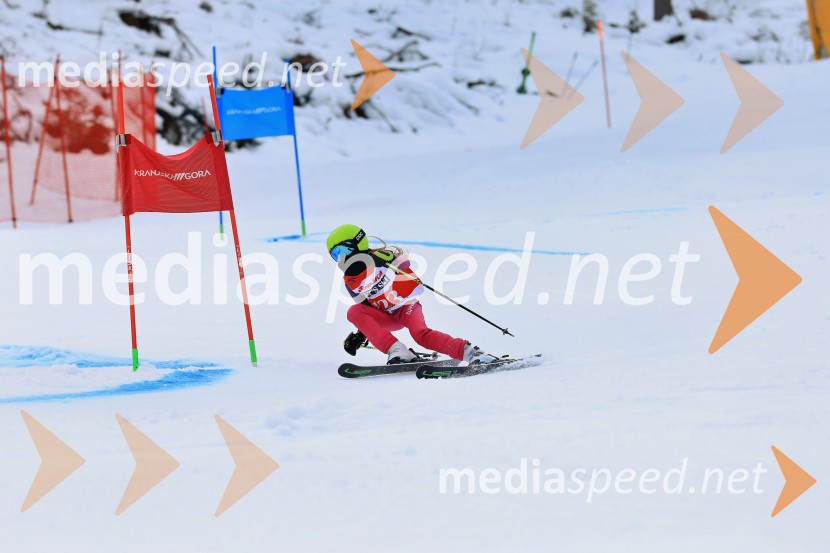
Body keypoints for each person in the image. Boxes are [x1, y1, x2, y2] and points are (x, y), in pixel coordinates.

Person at [327, 224, 499, 365]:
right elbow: (366, 310)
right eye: (335, 255)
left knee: (420, 335)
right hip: (387, 316)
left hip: (406, 307)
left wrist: (393, 268)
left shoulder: (382, 258)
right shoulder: (350, 280)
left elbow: (413, 280)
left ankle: (471, 353)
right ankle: (397, 351)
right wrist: (361, 334)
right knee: (354, 311)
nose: (341, 258)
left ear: (358, 243)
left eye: (343, 250)